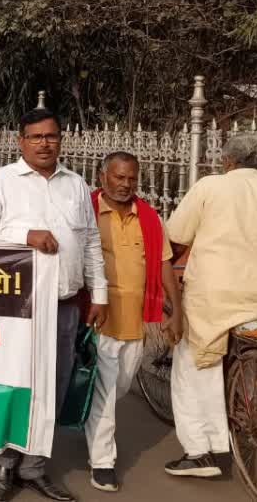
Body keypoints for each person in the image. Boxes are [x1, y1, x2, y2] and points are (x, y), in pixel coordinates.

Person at [0, 108, 107, 502]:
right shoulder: (0, 181)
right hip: (18, 307)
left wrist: (99, 293)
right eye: (36, 136)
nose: (45, 143)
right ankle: (5, 462)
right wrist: (25, 234)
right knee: (17, 383)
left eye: (52, 136)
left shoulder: (75, 184)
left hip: (64, 305)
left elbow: (91, 241)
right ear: (20, 141)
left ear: (61, 140)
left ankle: (34, 467)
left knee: (55, 384)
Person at [162, 133, 257, 479]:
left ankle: (201, 452)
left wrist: (170, 275)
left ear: (227, 161)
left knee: (192, 369)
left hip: (214, 300)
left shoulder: (210, 187)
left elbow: (176, 237)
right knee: (245, 356)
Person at [84, 152, 179, 492]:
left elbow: (165, 262)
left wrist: (176, 310)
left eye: (131, 179)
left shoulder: (149, 218)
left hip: (136, 320)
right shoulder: (87, 210)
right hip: (97, 317)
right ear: (102, 176)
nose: (125, 185)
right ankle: (102, 462)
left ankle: (92, 431)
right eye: (118, 177)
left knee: (121, 386)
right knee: (106, 393)